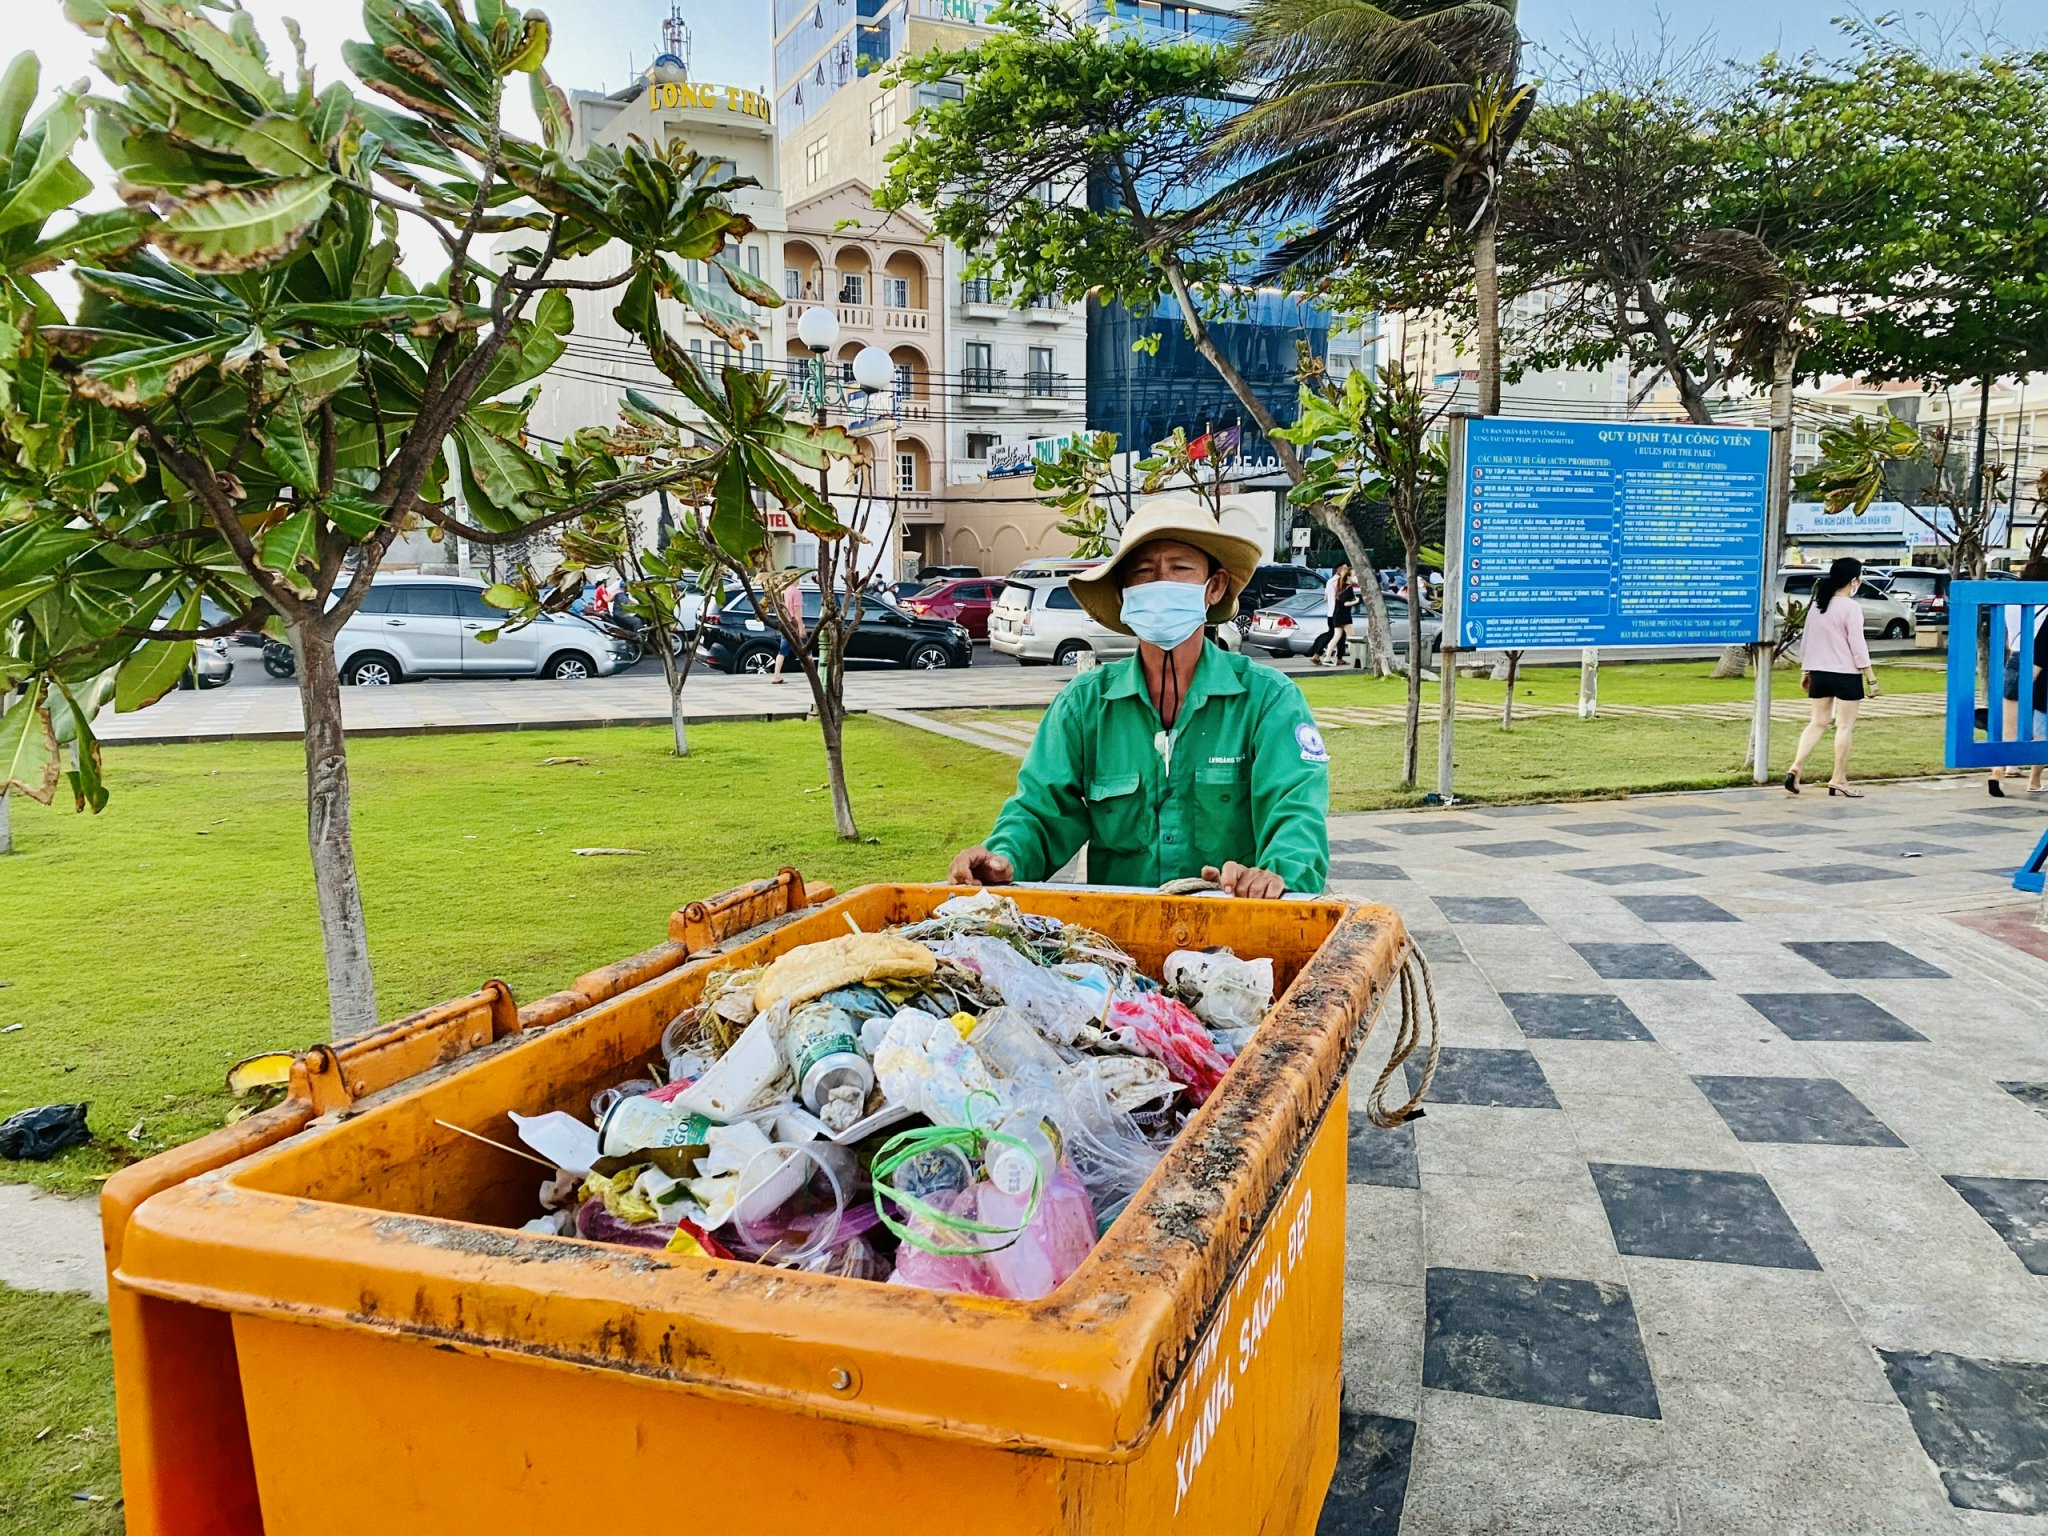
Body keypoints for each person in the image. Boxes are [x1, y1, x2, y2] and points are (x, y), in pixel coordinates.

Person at [949, 498, 1330, 898]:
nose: (1160, 584)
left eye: (1180, 568)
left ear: (1214, 587)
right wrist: (1003, 856)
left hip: (1238, 932)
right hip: (1117, 944)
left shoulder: (1268, 701)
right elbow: (1040, 811)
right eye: (1143, 572)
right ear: (1124, 594)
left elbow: (1297, 816)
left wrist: (1276, 875)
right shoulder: (1084, 705)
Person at [1786, 556, 1880, 797]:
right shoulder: (1851, 608)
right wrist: (1870, 677)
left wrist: (1806, 670)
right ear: (1853, 580)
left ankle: (1796, 768)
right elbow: (1857, 645)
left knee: (1817, 723)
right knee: (1844, 726)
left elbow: (1808, 641)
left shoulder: (1818, 605)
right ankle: (1839, 778)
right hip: (1846, 674)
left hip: (1819, 672)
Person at [1989, 550, 2048, 797]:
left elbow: (2005, 638)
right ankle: (2034, 777)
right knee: (2040, 726)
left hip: (2014, 658)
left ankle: (1996, 773)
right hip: (2040, 663)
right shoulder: (2045, 602)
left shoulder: (2011, 602)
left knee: (2008, 726)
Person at [1308, 563, 1357, 667]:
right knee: (1336, 635)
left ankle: (1334, 657)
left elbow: (1325, 597)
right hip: (1340, 612)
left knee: (1337, 636)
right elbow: (1343, 600)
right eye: (1344, 569)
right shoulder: (1339, 583)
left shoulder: (1330, 581)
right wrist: (1355, 600)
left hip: (1331, 612)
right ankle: (1319, 653)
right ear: (1340, 571)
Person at [768, 577, 805, 684]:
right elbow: (797, 612)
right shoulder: (796, 592)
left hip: (785, 623)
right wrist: (801, 627)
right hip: (794, 624)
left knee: (783, 650)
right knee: (806, 649)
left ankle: (776, 675)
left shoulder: (783, 592)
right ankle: (816, 675)